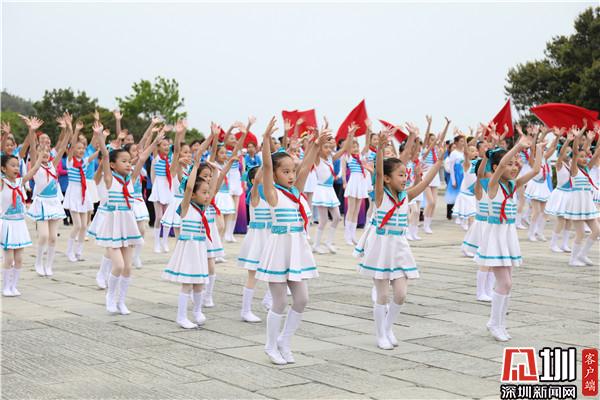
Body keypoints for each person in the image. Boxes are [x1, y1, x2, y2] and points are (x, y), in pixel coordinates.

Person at [356, 128, 444, 349]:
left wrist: (439, 162)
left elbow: (425, 183)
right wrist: (379, 149)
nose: (405, 179)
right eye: (400, 175)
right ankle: (380, 335)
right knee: (382, 295)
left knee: (401, 294)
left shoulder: (406, 196)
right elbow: (377, 175)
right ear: (387, 178)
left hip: (400, 246)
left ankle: (388, 327)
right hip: (380, 246)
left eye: (405, 175)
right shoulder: (380, 195)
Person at [256, 117, 325, 365]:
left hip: (296, 248)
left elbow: (305, 167)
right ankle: (270, 346)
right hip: (279, 249)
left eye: (291, 171)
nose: (291, 175)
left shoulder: (295, 191)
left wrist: (316, 144)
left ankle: (284, 341)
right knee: (279, 301)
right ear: (275, 174)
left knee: (302, 299)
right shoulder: (272, 192)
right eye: (285, 172)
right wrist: (266, 139)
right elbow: (266, 166)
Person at [476, 135, 543, 341]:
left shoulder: (512, 185)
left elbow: (536, 170)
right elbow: (502, 163)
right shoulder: (493, 184)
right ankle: (494, 323)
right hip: (495, 237)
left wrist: (539, 148)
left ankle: (499, 323)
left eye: (516, 164)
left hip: (507, 236)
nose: (514, 168)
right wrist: (517, 147)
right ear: (497, 167)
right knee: (504, 283)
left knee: (508, 283)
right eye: (510, 164)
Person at [93, 121, 162, 314]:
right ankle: (110, 297)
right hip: (113, 226)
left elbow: (143, 157)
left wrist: (156, 140)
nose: (128, 164)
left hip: (127, 224)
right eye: (123, 161)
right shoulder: (110, 179)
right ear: (113, 165)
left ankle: (121, 301)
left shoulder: (131, 180)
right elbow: (105, 154)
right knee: (119, 265)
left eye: (129, 161)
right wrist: (100, 136)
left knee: (128, 268)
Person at [162, 143, 216, 328]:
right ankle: (181, 316)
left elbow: (213, 188)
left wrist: (215, 172)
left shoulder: (203, 208)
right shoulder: (185, 207)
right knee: (187, 283)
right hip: (188, 248)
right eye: (203, 193)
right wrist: (196, 165)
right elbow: (190, 186)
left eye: (207, 193)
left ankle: (197, 311)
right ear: (192, 195)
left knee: (199, 282)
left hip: (199, 247)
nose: (207, 196)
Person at [23, 115, 70, 276]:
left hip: (54, 202)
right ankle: (38, 262)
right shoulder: (36, 165)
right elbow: (33, 147)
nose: (45, 153)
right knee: (43, 235)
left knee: (53, 237)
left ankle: (49, 265)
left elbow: (63, 147)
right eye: (42, 152)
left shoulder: (53, 164)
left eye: (47, 152)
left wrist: (69, 129)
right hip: (41, 202)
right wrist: (32, 130)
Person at [1, 148, 46, 296]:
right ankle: (6, 287)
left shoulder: (20, 182)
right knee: (8, 258)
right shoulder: (2, 183)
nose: (16, 168)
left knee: (19, 259)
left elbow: (34, 170)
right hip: (7, 223)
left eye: (17, 165)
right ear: (3, 169)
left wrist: (40, 155)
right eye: (12, 165)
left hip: (19, 223)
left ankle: (14, 286)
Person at [311, 126, 355, 253]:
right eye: (325, 147)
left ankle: (328, 242)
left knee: (337, 217)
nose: (329, 149)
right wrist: (319, 134)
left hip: (330, 191)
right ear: (320, 148)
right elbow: (315, 146)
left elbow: (345, 149)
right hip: (321, 190)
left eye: (329, 147)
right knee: (323, 220)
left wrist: (350, 135)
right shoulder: (317, 159)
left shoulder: (331, 158)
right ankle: (316, 245)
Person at [63, 117, 99, 262]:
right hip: (74, 193)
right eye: (78, 148)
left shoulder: (84, 161)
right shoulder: (70, 161)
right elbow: (71, 146)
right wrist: (76, 130)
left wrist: (103, 144)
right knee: (77, 225)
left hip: (84, 193)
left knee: (84, 226)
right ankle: (69, 251)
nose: (81, 150)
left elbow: (94, 156)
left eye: (83, 148)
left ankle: (78, 251)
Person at [564, 128, 600, 266]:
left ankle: (582, 255)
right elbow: (574, 153)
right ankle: (573, 259)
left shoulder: (587, 169)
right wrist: (577, 137)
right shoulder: (574, 169)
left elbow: (596, 154)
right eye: (581, 157)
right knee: (580, 233)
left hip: (587, 203)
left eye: (585, 156)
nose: (584, 159)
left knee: (597, 230)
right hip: (577, 204)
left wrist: (597, 137)